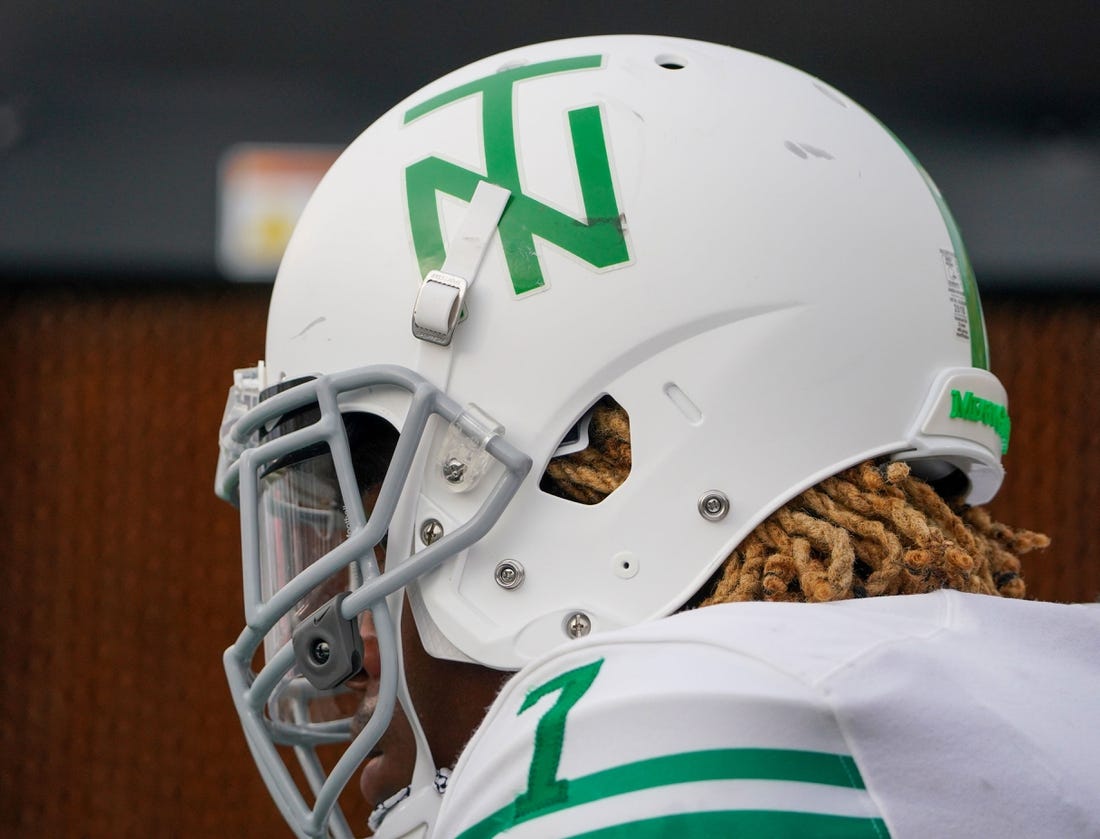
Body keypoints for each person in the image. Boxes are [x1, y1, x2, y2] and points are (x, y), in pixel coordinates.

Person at [215, 35, 1100, 839]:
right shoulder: (1048, 703)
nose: (353, 655)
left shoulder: (648, 761)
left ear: (599, 470)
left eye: (382, 534)